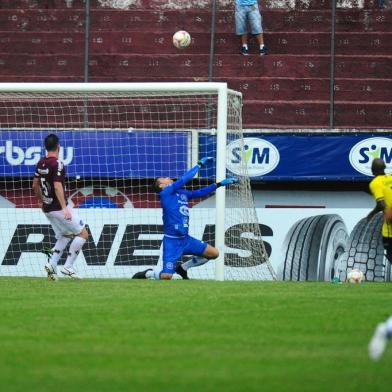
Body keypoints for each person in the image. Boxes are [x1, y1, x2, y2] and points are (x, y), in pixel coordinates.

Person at [132, 157, 238, 280]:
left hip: (186, 239)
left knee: (214, 253)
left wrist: (219, 184)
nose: (168, 177)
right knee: (166, 276)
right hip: (171, 242)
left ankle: (183, 268)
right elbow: (184, 179)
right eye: (164, 178)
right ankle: (149, 273)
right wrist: (199, 165)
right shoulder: (165, 194)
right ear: (161, 185)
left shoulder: (182, 193)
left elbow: (200, 192)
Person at [32, 134, 88, 280]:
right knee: (83, 234)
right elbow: (57, 186)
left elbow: (35, 184)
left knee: (65, 235)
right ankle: (68, 267)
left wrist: (40, 200)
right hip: (58, 207)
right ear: (59, 146)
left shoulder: (41, 163)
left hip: (47, 207)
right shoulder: (58, 163)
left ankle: (52, 264)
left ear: (45, 147)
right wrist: (65, 208)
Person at [367, 158, 392, 264]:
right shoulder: (391, 177)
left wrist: (372, 213)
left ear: (373, 169)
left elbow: (381, 204)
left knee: (390, 252)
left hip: (390, 226)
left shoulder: (375, 183)